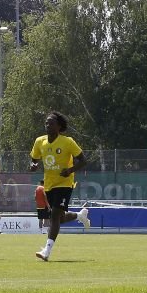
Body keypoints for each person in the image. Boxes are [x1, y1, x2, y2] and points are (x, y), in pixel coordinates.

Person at [31, 111, 91, 261]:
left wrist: (70, 170)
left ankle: (47, 251)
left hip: (65, 183)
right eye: (46, 123)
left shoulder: (68, 142)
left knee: (55, 215)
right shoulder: (40, 141)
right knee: (59, 218)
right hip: (49, 184)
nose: (48, 126)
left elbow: (83, 160)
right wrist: (33, 165)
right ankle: (79, 215)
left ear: (59, 126)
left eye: (51, 123)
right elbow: (34, 159)